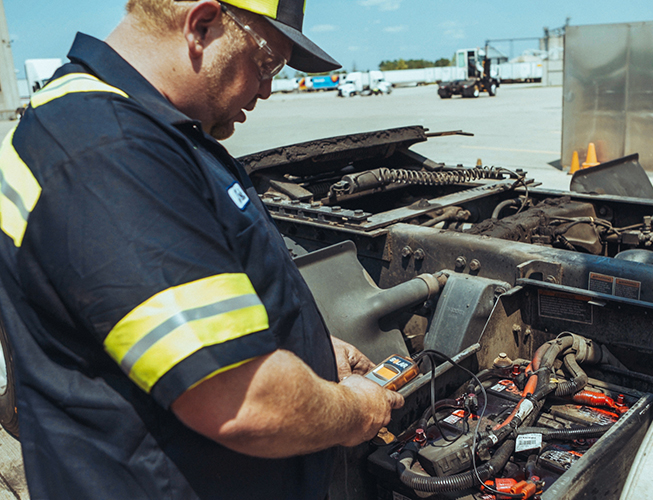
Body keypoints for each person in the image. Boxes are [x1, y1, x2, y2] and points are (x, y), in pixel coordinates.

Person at [0, 0, 404, 498]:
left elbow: (182, 315)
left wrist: (311, 352)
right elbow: (244, 402)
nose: (266, 90)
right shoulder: (109, 151)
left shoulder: (144, 128)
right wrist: (357, 410)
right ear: (202, 24)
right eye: (266, 63)